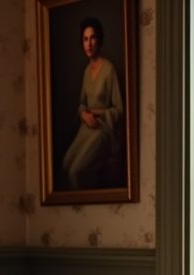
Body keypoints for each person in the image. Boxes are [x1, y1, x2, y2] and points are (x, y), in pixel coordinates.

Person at [61, 17, 124, 190]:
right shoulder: (86, 71)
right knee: (65, 165)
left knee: (75, 171)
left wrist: (98, 112)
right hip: (86, 127)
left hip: (102, 130)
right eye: (85, 39)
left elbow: (119, 110)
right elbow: (82, 103)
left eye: (93, 38)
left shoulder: (109, 69)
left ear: (99, 40)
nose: (89, 43)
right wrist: (83, 114)